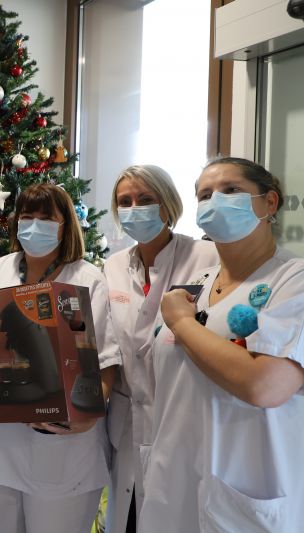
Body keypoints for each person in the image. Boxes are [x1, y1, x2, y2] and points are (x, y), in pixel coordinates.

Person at [141, 157, 304, 531]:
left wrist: (182, 322)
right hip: (171, 483)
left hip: (245, 492)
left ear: (270, 203)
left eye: (231, 190)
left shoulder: (292, 281)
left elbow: (265, 385)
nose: (215, 201)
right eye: (204, 195)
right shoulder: (194, 284)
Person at [0, 183, 121, 533]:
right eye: (27, 216)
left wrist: (87, 414)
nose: (35, 225)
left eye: (47, 218)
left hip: (61, 446)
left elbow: (106, 361)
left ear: (66, 225)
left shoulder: (86, 278)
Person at [102, 165, 218, 533]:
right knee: (129, 516)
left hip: (183, 418)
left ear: (167, 204)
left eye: (145, 199)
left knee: (177, 516)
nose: (134, 208)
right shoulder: (113, 267)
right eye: (125, 202)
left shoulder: (207, 257)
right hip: (126, 421)